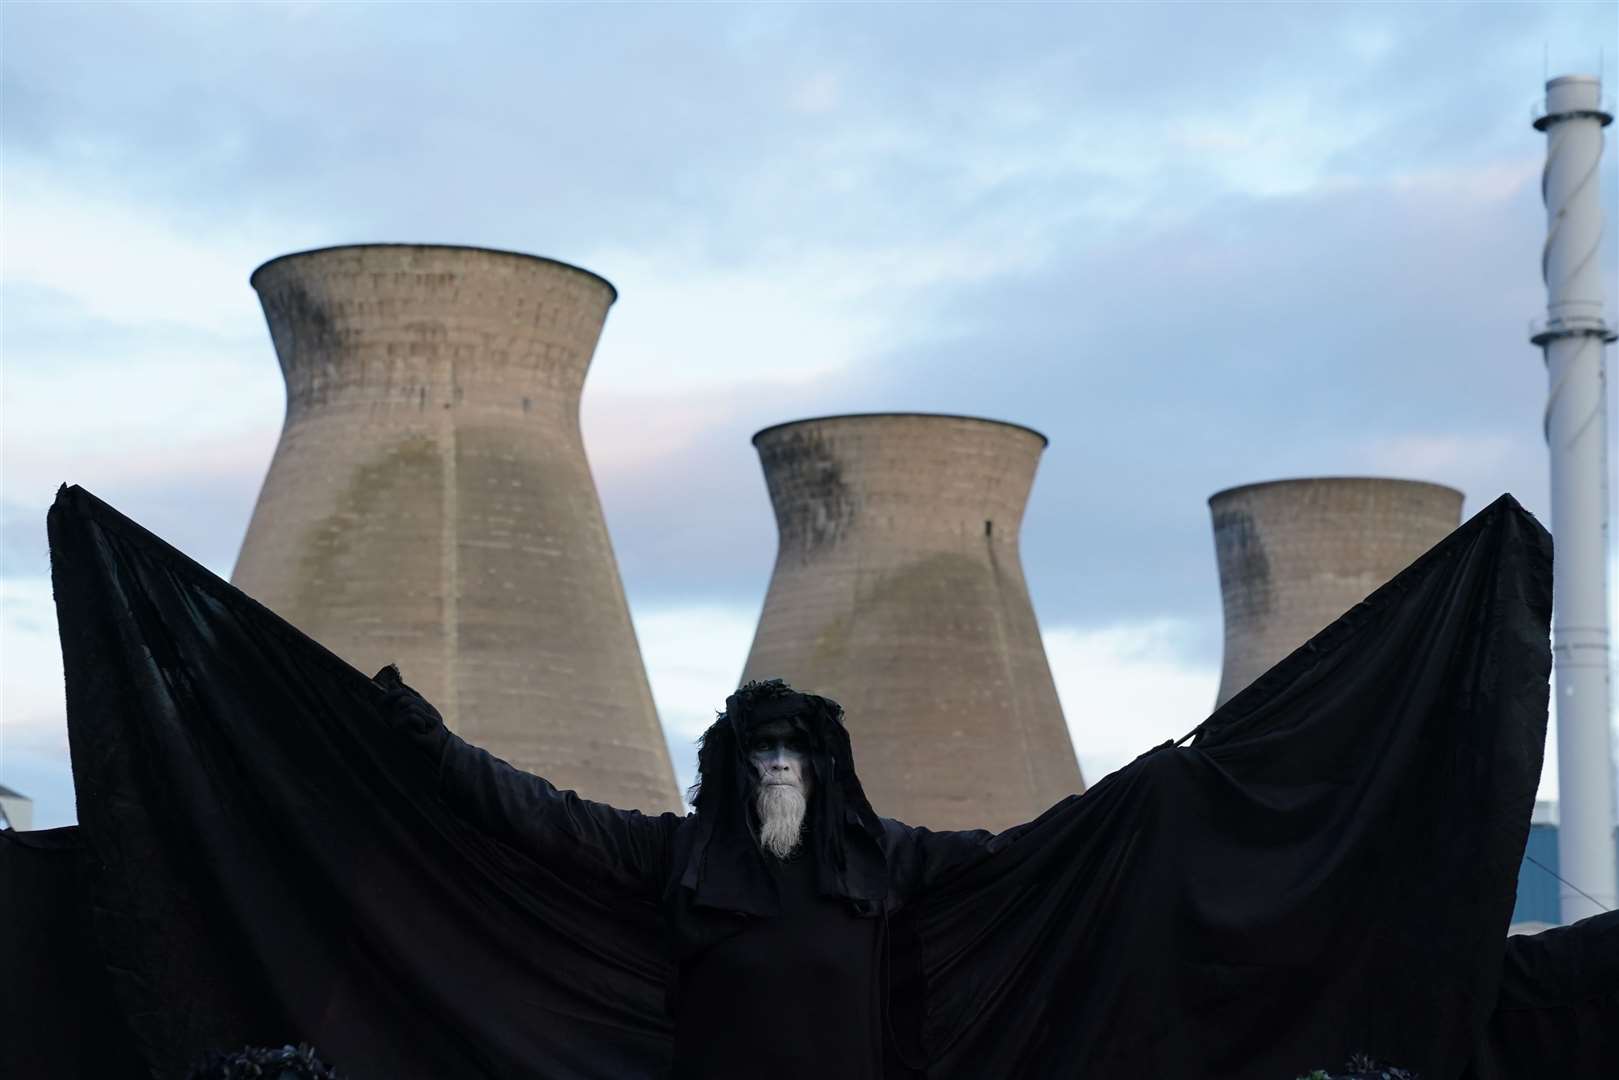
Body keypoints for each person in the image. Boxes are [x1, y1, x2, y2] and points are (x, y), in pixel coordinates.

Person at [380, 671, 1017, 1080]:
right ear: (735, 766)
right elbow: (553, 818)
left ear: (821, 765)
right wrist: (443, 749)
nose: (777, 765)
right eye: (762, 751)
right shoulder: (681, 853)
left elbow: (1008, 858)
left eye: (792, 750)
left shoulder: (885, 856)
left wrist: (1115, 807)